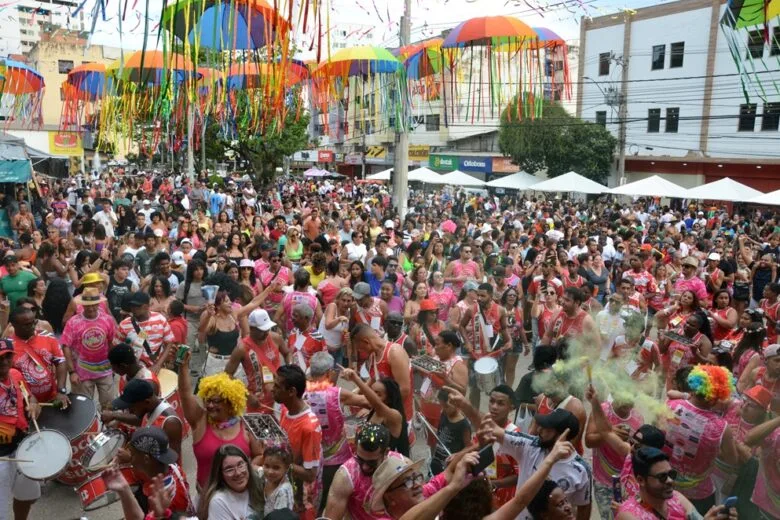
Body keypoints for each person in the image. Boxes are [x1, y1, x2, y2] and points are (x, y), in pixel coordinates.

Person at [480, 408, 593, 520]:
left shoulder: (581, 469)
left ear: (561, 435)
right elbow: (493, 431)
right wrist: (464, 404)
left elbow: (584, 509)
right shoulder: (529, 446)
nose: (539, 430)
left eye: (546, 429)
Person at [177, 352, 263, 490]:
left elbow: (259, 455)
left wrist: (246, 471)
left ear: (230, 402)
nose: (210, 405)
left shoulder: (245, 425)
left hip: (241, 496)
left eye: (216, 401)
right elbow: (185, 393)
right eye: (207, 400)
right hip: (207, 499)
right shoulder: (200, 420)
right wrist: (183, 367)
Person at [664, 365, 739, 514]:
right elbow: (732, 460)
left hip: (664, 483)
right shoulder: (721, 428)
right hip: (698, 494)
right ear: (716, 396)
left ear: (694, 384)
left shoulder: (671, 405)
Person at [305, 352, 367, 509]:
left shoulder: (300, 391)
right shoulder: (338, 394)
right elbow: (371, 402)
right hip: (337, 460)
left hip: (309, 459)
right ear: (329, 373)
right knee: (337, 502)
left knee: (315, 503)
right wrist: (356, 380)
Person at [615, 447, 737, 520]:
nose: (670, 481)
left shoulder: (676, 498)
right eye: (662, 477)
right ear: (641, 480)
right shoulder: (628, 515)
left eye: (671, 474)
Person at [272, 364, 323, 520]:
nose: (272, 389)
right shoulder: (285, 410)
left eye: (277, 386)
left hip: (300, 501)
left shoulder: (309, 426)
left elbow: (310, 474)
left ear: (292, 392)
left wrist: (277, 462)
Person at [0, 338, 41, 520]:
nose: (4, 362)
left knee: (28, 495)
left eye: (8, 357)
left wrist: (33, 404)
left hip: (21, 445)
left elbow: (29, 396)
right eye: (0, 358)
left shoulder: (16, 375)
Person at [324, 424, 400, 520]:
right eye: (360, 459)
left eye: (371, 462)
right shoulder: (346, 477)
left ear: (386, 452)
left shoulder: (401, 467)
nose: (364, 466)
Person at [60, 286, 116, 409]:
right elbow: (66, 347)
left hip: (105, 371)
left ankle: (109, 428)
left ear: (99, 304)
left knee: (109, 406)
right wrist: (72, 372)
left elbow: (112, 342)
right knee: (83, 408)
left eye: (94, 304)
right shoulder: (73, 322)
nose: (91, 308)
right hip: (81, 374)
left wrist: (115, 364)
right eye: (87, 305)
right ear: (82, 305)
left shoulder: (107, 320)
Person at [459, 283, 512, 409]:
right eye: (478, 295)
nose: (479, 298)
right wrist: (466, 342)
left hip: (494, 355)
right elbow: (461, 326)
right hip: (476, 355)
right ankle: (474, 416)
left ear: (491, 295)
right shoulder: (472, 309)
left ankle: (495, 418)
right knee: (474, 388)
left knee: (495, 389)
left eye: (483, 295)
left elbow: (504, 329)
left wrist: (509, 341)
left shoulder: (500, 310)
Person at [225, 308, 287, 412]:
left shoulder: (276, 338)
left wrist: (289, 367)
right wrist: (247, 395)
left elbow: (287, 352)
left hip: (280, 396)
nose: (266, 333)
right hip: (258, 401)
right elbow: (227, 374)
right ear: (252, 328)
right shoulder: (241, 349)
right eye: (262, 331)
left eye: (268, 329)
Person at [122, 426, 193, 515]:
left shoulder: (166, 499)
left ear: (146, 459)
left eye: (132, 454)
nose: (130, 458)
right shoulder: (172, 467)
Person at [110, 379, 184, 464]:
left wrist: (131, 459)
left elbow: (172, 462)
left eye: (131, 407)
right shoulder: (148, 409)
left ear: (146, 402)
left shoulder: (170, 423)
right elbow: (140, 420)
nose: (130, 411)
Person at [8, 306, 69, 408]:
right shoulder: (8, 346)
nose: (32, 327)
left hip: (52, 398)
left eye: (34, 322)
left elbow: (61, 362)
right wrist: (27, 397)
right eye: (26, 325)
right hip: (26, 404)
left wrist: (61, 390)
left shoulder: (47, 337)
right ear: (14, 325)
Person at [341, 367, 409, 456]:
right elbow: (348, 398)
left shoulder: (394, 416)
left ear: (388, 399)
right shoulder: (373, 406)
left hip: (383, 464)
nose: (372, 395)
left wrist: (356, 379)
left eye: (378, 394)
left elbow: (376, 402)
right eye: (372, 391)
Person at [352, 323, 413, 422]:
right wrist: (357, 391)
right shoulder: (373, 355)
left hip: (398, 417)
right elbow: (375, 378)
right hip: (382, 413)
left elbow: (404, 391)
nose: (360, 352)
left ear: (366, 341)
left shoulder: (394, 353)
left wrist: (375, 408)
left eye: (360, 348)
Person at [197, 444, 265, 520]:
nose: (238, 473)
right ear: (220, 474)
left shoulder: (259, 482)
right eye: (229, 469)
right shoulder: (219, 502)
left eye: (240, 465)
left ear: (247, 464)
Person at [117, 291, 175, 367]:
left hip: (157, 368)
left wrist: (158, 365)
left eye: (137, 306)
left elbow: (169, 342)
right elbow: (117, 347)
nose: (133, 309)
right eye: (132, 306)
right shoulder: (124, 325)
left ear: (147, 306)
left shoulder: (160, 319)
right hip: (134, 370)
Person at [287, 304, 326, 371]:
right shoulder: (293, 331)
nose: (292, 318)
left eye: (295, 316)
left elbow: (323, 360)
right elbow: (289, 352)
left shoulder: (317, 337)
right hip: (293, 375)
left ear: (306, 318)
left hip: (309, 376)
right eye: (292, 315)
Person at [259, 444, 295, 516]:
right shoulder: (267, 478)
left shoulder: (283, 492)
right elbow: (257, 469)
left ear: (286, 468)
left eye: (276, 468)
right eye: (267, 466)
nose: (270, 472)